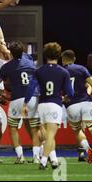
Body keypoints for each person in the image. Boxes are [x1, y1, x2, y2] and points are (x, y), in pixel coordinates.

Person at [23, 42, 74, 170]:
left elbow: (31, 87)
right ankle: (44, 161)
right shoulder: (63, 72)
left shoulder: (39, 70)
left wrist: (25, 103)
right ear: (58, 55)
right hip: (55, 104)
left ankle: (54, 160)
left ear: (45, 55)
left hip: (42, 105)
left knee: (47, 135)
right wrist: (65, 97)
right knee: (51, 135)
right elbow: (71, 92)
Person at [0, 41, 42, 164]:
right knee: (35, 128)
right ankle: (36, 157)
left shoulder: (7, 66)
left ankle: (20, 156)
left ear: (11, 53)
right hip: (33, 97)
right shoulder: (31, 63)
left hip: (17, 98)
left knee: (13, 127)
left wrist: (0, 92)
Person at [61, 49, 92, 164]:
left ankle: (88, 150)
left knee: (78, 130)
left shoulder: (60, 71)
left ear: (63, 60)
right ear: (74, 59)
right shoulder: (81, 69)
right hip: (86, 103)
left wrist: (61, 99)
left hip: (71, 105)